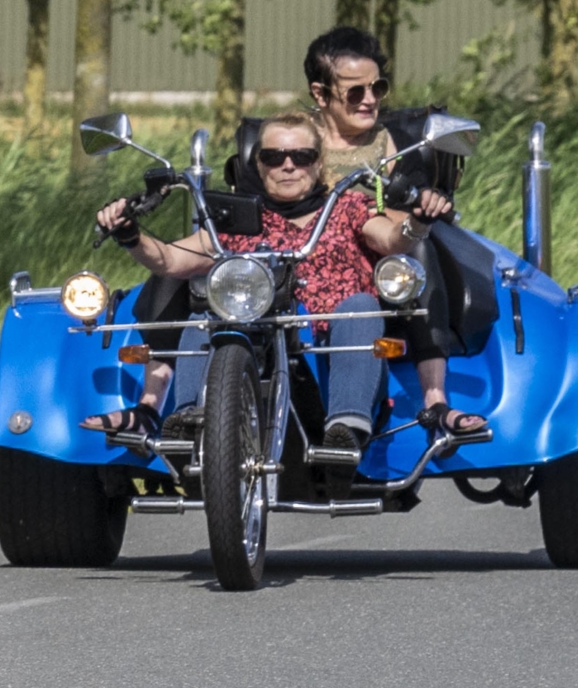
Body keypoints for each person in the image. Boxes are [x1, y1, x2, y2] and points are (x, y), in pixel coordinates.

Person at [94, 111, 433, 458]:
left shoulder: (348, 208)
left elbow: (394, 240)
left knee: (361, 305)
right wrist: (130, 234)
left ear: (318, 164)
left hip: (331, 345)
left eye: (302, 156)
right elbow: (170, 259)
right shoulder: (234, 221)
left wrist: (417, 223)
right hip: (252, 338)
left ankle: (347, 428)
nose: (288, 166)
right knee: (204, 315)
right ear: (259, 164)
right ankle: (188, 421)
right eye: (274, 157)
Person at [301, 26, 487, 441]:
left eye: (377, 87)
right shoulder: (292, 141)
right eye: (355, 92)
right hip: (303, 255)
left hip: (379, 254)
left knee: (414, 255)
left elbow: (408, 215)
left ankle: (435, 400)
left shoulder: (396, 144)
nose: (370, 100)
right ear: (320, 93)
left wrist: (426, 204)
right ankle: (167, 402)